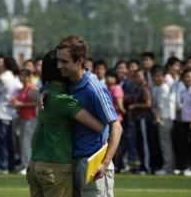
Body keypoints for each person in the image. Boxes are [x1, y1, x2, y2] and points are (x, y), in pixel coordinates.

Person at [27, 50, 105, 197]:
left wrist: (35, 94)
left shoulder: (47, 91)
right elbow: (99, 126)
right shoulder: (64, 100)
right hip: (55, 165)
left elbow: (32, 91)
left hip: (35, 163)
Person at [56, 35, 122, 197]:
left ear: (79, 61)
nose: (59, 66)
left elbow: (116, 126)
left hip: (93, 163)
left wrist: (105, 164)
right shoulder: (66, 83)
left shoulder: (95, 88)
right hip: (71, 161)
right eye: (58, 61)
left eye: (64, 62)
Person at [0, 55, 22, 173]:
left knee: (3, 141)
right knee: (8, 142)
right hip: (8, 112)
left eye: (0, 62)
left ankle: (3, 165)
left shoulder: (4, 77)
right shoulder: (14, 78)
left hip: (2, 112)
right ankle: (9, 165)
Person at [11, 69, 37, 175]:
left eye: (24, 76)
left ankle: (28, 166)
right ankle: (24, 164)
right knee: (22, 143)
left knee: (27, 143)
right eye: (20, 76)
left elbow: (35, 103)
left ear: (28, 77)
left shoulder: (32, 89)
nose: (22, 78)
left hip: (30, 119)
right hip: (22, 118)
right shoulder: (21, 89)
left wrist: (20, 104)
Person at [128, 69, 154, 174]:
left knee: (144, 144)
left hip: (144, 118)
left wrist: (135, 106)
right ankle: (142, 165)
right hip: (137, 119)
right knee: (139, 143)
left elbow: (148, 104)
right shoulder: (137, 88)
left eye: (139, 76)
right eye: (135, 76)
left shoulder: (146, 89)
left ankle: (147, 166)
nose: (136, 78)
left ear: (145, 77)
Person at [151, 65, 174, 175]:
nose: (156, 79)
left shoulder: (163, 88)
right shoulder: (160, 87)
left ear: (164, 77)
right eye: (154, 76)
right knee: (165, 145)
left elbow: (160, 106)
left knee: (165, 145)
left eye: (158, 76)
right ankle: (169, 167)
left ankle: (168, 168)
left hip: (164, 119)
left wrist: (157, 118)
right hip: (164, 118)